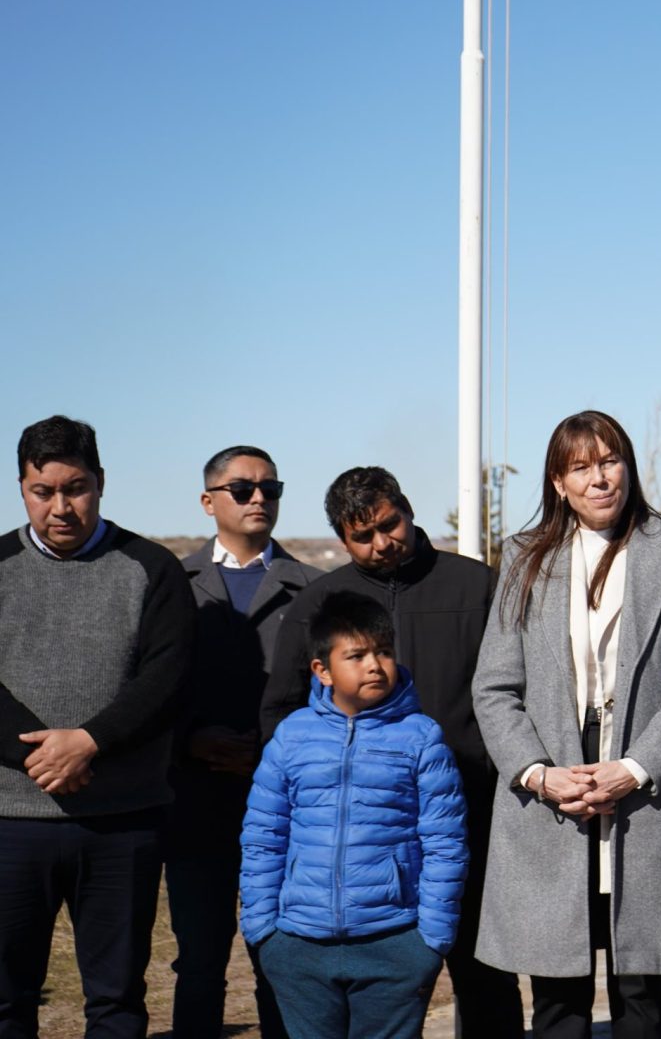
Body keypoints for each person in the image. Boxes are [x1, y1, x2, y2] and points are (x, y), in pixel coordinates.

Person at [473, 411, 661, 1039]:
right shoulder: (527, 558)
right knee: (557, 1000)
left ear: (628, 466)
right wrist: (536, 774)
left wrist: (635, 768)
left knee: (645, 995)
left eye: (609, 460)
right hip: (552, 785)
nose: (599, 478)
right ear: (558, 482)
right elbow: (495, 687)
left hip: (646, 783)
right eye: (580, 467)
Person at [260, 467, 522, 1036]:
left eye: (390, 524)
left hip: (471, 819)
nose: (382, 543)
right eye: (363, 536)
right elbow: (281, 712)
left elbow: (518, 692)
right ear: (341, 538)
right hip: (363, 847)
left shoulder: (477, 586)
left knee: (487, 979)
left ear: (406, 508)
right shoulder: (320, 602)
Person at [0, 415, 195, 1038]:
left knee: (115, 1002)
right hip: (10, 824)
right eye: (42, 491)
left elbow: (167, 679)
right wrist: (43, 757)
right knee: (6, 1001)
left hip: (122, 824)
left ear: (102, 483)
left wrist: (90, 742)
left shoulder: (152, 568)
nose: (60, 506)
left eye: (75, 488)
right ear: (22, 487)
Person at [241, 591, 466, 1039]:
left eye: (383, 651)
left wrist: (430, 940)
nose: (374, 665)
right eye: (357, 655)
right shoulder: (292, 737)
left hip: (395, 940)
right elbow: (264, 836)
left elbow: (445, 841)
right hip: (298, 942)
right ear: (322, 671)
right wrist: (263, 931)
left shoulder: (421, 738)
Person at [168, 445, 321, 1039]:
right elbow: (150, 684)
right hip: (195, 801)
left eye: (271, 488)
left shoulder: (311, 588)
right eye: (242, 488)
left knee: (281, 962)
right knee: (199, 962)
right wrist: (193, 740)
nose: (259, 498)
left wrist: (273, 749)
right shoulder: (173, 584)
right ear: (209, 502)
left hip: (286, 806)